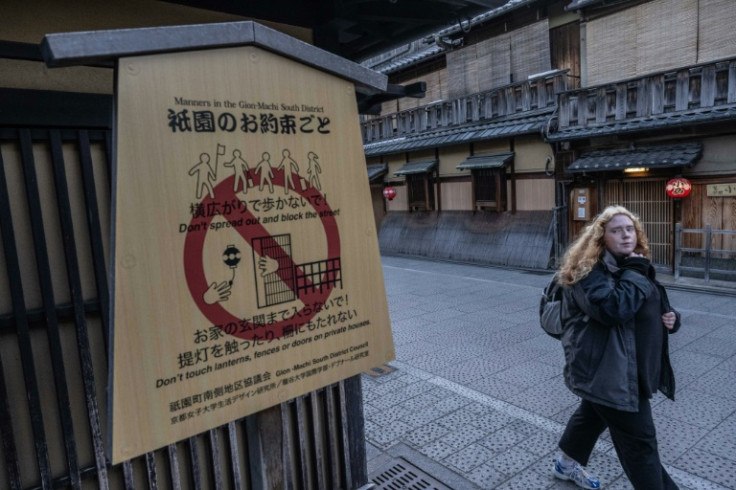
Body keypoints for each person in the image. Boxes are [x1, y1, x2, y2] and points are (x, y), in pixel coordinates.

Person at [552, 205, 681, 490]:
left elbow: (650, 303)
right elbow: (613, 309)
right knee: (640, 445)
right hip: (611, 373)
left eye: (629, 229)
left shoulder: (632, 263)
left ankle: (565, 464)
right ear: (600, 237)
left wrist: (671, 318)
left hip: (626, 366)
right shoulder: (588, 272)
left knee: (592, 414)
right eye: (616, 230)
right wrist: (636, 272)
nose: (625, 235)